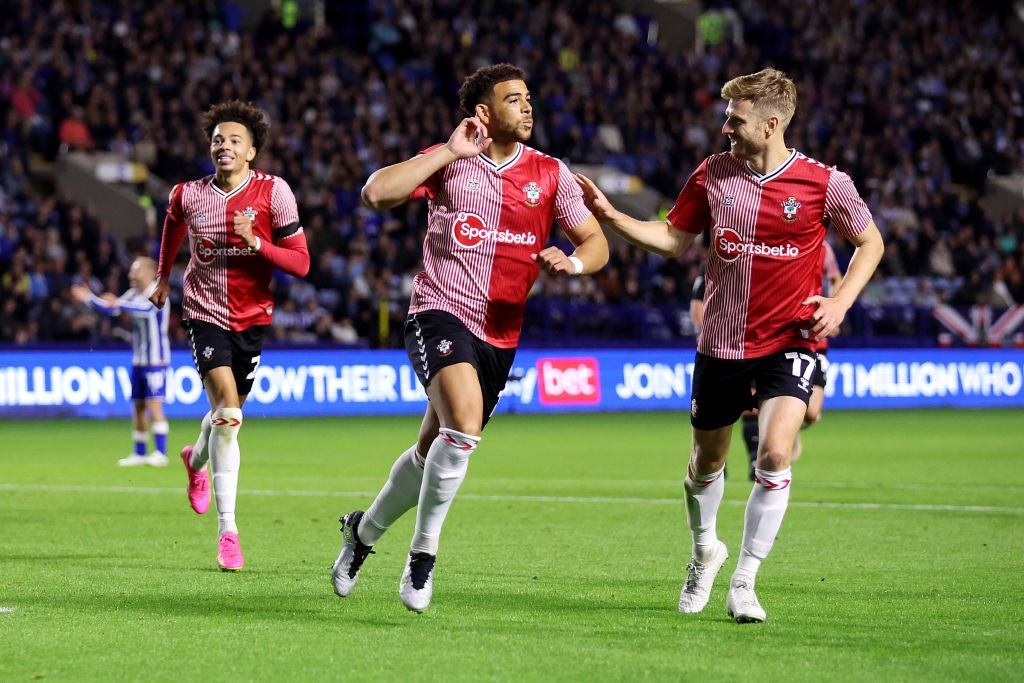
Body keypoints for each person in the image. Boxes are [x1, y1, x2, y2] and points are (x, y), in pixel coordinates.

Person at [576, 67, 883, 623]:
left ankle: (746, 579)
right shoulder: (713, 175)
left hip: (792, 340)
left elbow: (870, 241)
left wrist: (839, 304)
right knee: (704, 464)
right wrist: (612, 216)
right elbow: (672, 239)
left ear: (770, 124)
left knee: (774, 453)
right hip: (722, 344)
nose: (725, 127)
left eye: (735, 119)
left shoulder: (824, 183)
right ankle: (704, 552)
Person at [331, 63, 609, 613]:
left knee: (433, 447)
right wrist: (448, 152)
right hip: (439, 312)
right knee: (463, 424)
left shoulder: (551, 173)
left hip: (501, 334)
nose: (527, 108)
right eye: (513, 100)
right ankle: (423, 556)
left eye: (529, 98)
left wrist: (574, 264)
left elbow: (595, 242)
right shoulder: (451, 163)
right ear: (483, 113)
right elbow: (375, 193)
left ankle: (361, 534)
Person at [150, 100, 310, 572]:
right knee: (227, 414)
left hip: (253, 317)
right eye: (218, 138)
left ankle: (194, 461)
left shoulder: (274, 193)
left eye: (234, 140)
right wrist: (163, 276)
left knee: (227, 416)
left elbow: (301, 263)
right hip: (203, 312)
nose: (224, 145)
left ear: (252, 152)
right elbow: (173, 224)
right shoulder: (188, 193)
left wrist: (257, 242)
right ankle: (228, 531)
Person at [72, 256, 171, 467]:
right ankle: (140, 452)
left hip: (156, 360)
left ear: (147, 272)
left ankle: (161, 453)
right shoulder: (134, 294)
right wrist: (90, 298)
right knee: (138, 407)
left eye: (134, 270)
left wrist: (118, 302)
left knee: (154, 405)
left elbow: (144, 310)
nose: (130, 275)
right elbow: (115, 309)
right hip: (139, 360)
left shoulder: (158, 291)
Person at [689, 259, 759, 480]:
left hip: (753, 344)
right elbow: (697, 304)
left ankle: (755, 460)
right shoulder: (712, 261)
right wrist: (710, 332)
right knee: (719, 407)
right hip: (718, 348)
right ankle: (716, 462)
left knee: (752, 405)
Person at [791, 239, 843, 462]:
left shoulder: (823, 248)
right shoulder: (779, 242)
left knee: (811, 413)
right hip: (787, 335)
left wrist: (835, 308)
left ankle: (790, 429)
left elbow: (835, 278)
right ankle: (782, 431)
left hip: (816, 338)